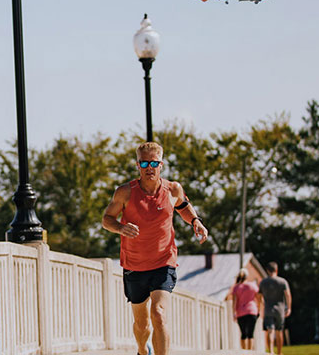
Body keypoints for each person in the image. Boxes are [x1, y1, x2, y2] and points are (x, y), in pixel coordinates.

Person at [102, 141, 209, 355]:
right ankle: (143, 350)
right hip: (134, 265)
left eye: (154, 163)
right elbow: (107, 219)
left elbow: (184, 206)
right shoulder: (125, 193)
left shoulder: (173, 189)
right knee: (142, 326)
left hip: (164, 262)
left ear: (161, 164)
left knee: (159, 314)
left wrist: (196, 221)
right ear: (137, 165)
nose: (149, 167)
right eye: (144, 163)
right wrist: (121, 228)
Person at [259, 262, 292, 355]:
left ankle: (271, 351)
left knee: (270, 331)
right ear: (276, 270)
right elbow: (288, 295)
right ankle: (280, 352)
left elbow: (259, 296)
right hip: (280, 310)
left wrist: (260, 306)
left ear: (267, 270)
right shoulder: (282, 281)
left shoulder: (263, 282)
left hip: (268, 310)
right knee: (279, 331)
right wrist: (289, 308)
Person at [227, 268, 262, 350]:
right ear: (247, 276)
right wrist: (258, 309)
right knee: (251, 334)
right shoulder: (253, 285)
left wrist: (234, 313)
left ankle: (244, 352)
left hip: (241, 312)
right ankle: (250, 353)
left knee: (243, 334)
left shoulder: (236, 287)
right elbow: (259, 298)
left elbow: (234, 302)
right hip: (252, 311)